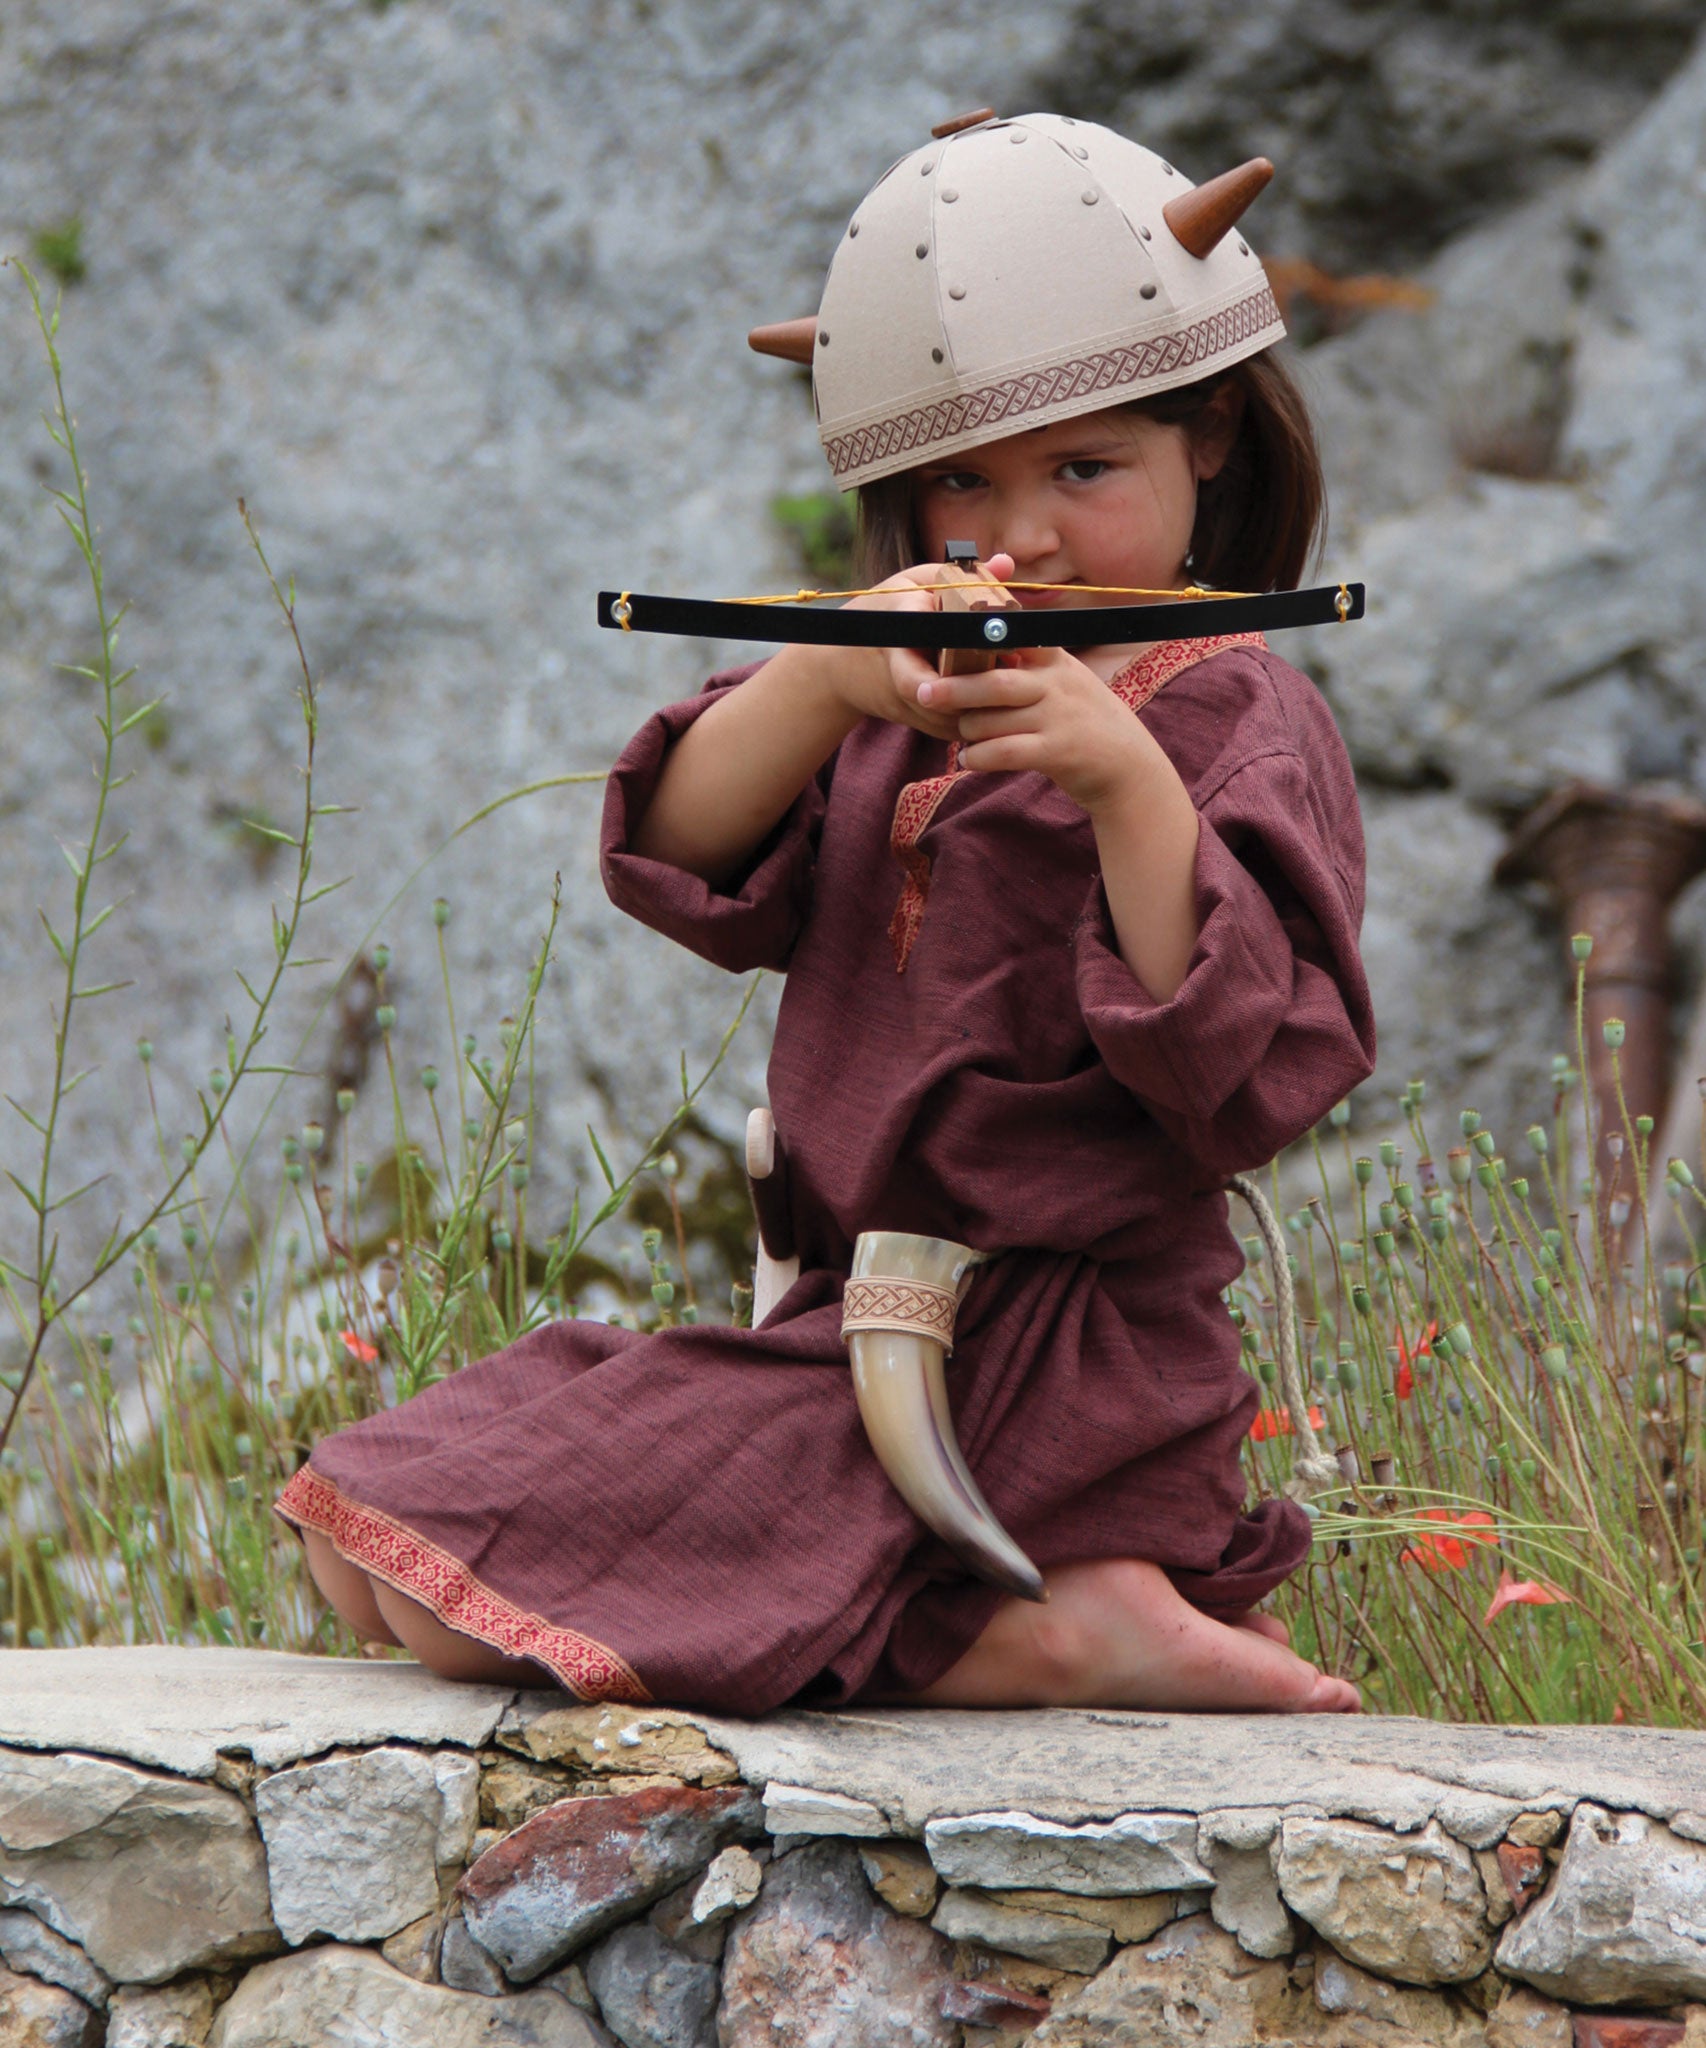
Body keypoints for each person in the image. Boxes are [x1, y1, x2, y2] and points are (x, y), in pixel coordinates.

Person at [279, 113, 1374, 1715]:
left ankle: (1075, 1626)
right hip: (834, 1345)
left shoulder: (1233, 714)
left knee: (450, 1601)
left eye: (1087, 467)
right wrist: (825, 674)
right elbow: (683, 847)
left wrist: (1128, 788)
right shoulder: (894, 674)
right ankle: (1062, 1618)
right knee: (359, 1528)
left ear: (1209, 435)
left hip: (1050, 1364)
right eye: (963, 484)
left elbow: (1236, 1067)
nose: (1028, 534)